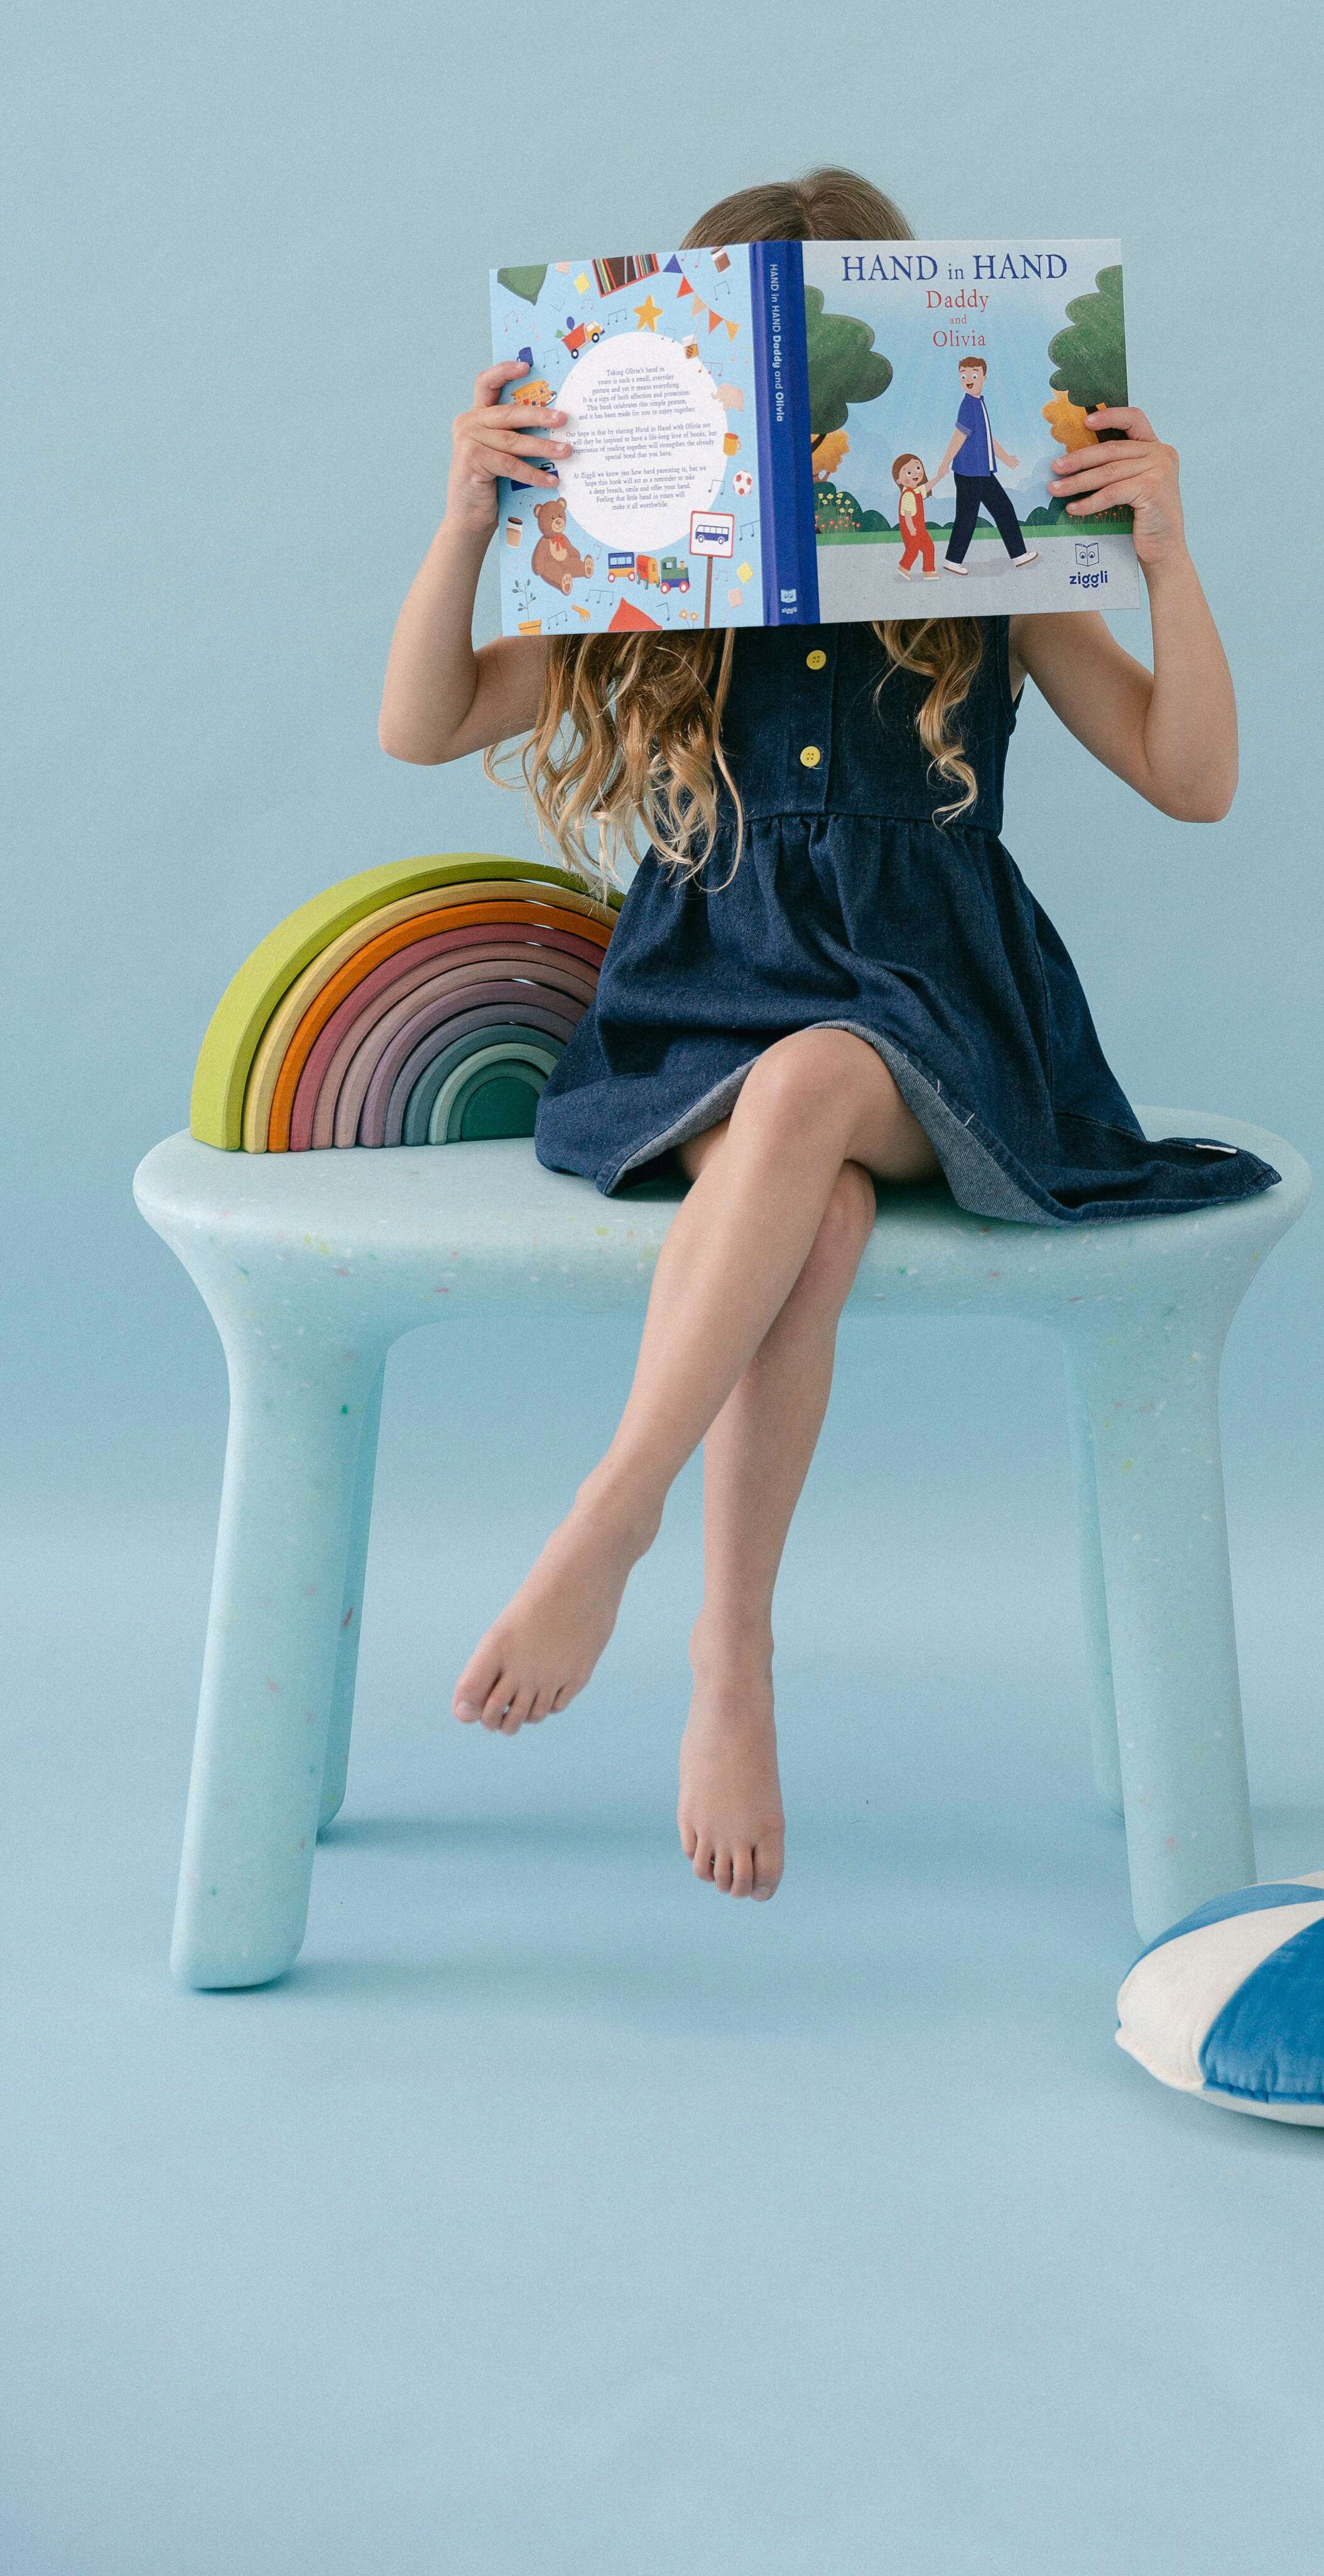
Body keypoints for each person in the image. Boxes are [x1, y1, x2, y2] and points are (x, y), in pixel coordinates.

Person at [377, 166, 1272, 1902]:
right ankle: (732, 1656)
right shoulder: (649, 588)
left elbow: (1195, 777)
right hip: (702, 996)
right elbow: (423, 724)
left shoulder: (979, 575)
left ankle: (613, 1513)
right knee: (816, 1204)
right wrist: (466, 525)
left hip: (936, 1008)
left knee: (806, 1094)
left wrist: (1167, 555)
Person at [935, 356, 1040, 574]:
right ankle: (952, 560)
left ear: (984, 376)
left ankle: (1019, 555)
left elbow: (987, 438)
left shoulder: (978, 403)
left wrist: (1005, 458)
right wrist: (945, 462)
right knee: (968, 516)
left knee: (1003, 509)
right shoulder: (968, 405)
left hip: (981, 472)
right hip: (969, 473)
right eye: (963, 375)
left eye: (973, 374)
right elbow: (959, 436)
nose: (968, 379)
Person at [891, 451, 939, 578]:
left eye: (918, 468)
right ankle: (903, 568)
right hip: (911, 529)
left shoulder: (917, 491)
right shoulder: (908, 495)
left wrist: (939, 477)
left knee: (929, 547)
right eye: (909, 472)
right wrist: (912, 528)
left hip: (920, 529)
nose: (916, 473)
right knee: (913, 550)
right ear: (899, 480)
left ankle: (929, 571)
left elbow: (927, 487)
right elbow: (907, 515)